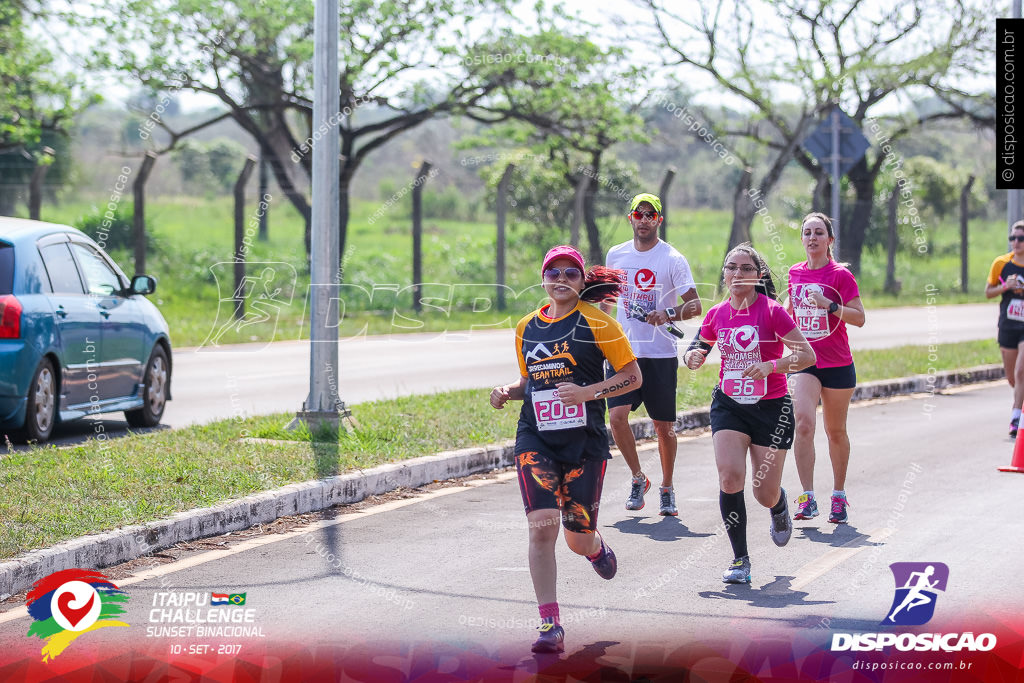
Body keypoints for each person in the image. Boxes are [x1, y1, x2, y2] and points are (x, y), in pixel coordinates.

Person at [490, 245, 641, 653]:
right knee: (542, 526)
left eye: (570, 273)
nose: (560, 279)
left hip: (584, 443)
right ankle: (549, 624)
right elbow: (530, 381)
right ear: (543, 279)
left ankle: (595, 548)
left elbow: (631, 377)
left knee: (576, 537)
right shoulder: (526, 327)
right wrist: (509, 390)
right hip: (535, 437)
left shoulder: (598, 323)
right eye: (552, 273)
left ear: (580, 281)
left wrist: (587, 392)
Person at [683, 243, 815, 583]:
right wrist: (693, 357)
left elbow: (807, 355)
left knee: (762, 492)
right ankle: (740, 559)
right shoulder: (717, 313)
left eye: (745, 268)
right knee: (729, 477)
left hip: (771, 408)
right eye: (731, 268)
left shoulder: (772, 312)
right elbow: (698, 346)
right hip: (729, 405)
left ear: (758, 276)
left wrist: (773, 365)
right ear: (724, 274)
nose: (737, 274)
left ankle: (778, 504)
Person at [602, 192, 701, 517]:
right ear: (630, 217)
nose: (644, 220)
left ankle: (667, 487)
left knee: (663, 427)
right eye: (638, 214)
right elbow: (607, 304)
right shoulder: (616, 255)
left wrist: (667, 314)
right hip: (623, 354)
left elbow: (696, 305)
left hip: (659, 356)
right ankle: (637, 477)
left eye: (650, 214)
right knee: (616, 418)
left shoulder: (672, 259)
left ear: (659, 219)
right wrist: (597, 335)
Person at [784, 213, 866, 525]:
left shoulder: (841, 276)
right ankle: (807, 497)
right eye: (807, 232)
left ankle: (839, 496)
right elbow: (791, 314)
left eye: (819, 233)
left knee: (835, 431)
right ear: (802, 239)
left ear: (829, 240)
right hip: (805, 362)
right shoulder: (794, 273)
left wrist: (829, 306)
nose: (813, 238)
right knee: (803, 424)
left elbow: (859, 317)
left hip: (838, 363)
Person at [985, 220, 1024, 438]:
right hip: (1008, 325)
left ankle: (1015, 417)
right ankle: (1020, 400)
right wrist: (1005, 286)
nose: (1016, 242)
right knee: (1012, 377)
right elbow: (988, 292)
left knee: (1021, 371)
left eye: (1021, 238)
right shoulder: (1001, 263)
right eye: (1013, 238)